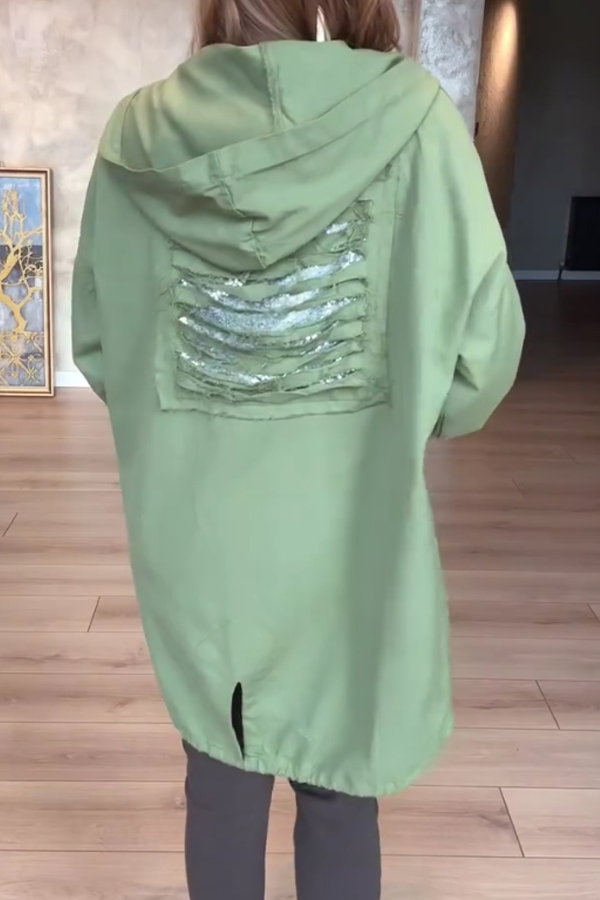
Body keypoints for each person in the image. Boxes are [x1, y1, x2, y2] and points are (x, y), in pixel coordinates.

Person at [71, 1, 525, 897]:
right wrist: (397, 416)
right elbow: (483, 362)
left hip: (199, 541)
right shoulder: (419, 123)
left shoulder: (137, 140)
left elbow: (98, 344)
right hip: (353, 542)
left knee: (220, 780)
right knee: (342, 789)